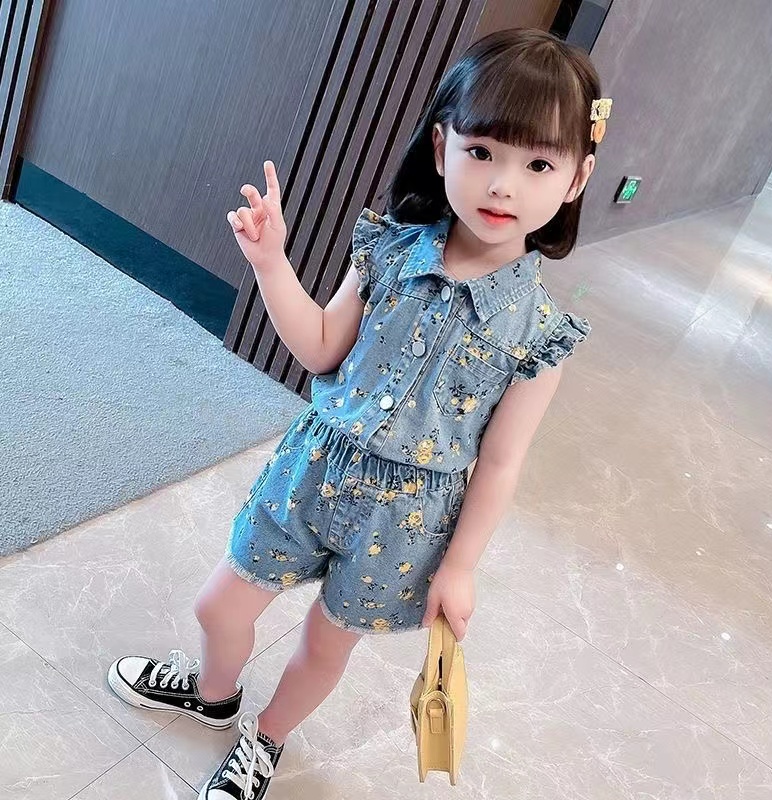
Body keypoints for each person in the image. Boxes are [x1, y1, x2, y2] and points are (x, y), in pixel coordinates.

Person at [107, 28, 608, 800]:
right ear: (441, 147)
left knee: (324, 646)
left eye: (538, 165)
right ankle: (213, 696)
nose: (503, 185)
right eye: (481, 152)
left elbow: (502, 461)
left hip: (407, 521)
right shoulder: (388, 251)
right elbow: (319, 346)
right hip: (312, 470)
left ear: (577, 178)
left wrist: (461, 566)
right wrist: (271, 263)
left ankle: (266, 740)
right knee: (220, 606)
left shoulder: (540, 334)